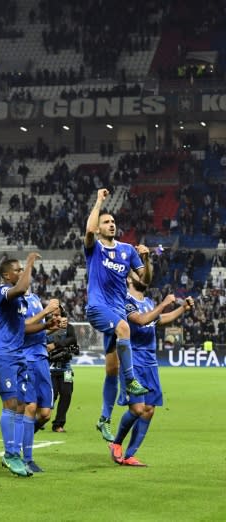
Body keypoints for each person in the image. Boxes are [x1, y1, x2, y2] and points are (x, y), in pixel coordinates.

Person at [84, 188, 152, 442]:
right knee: (125, 329)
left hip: (116, 312)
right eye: (106, 222)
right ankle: (132, 381)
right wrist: (99, 201)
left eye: (113, 221)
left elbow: (142, 281)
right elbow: (89, 230)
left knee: (111, 370)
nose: (111, 224)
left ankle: (103, 419)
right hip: (97, 309)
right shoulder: (94, 249)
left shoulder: (127, 250)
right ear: (100, 227)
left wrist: (145, 259)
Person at [109, 273, 194, 466]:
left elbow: (161, 319)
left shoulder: (148, 301)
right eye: (137, 274)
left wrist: (182, 308)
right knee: (138, 408)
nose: (143, 276)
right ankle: (116, 443)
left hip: (150, 363)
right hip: (133, 361)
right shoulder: (124, 300)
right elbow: (140, 320)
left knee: (149, 410)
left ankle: (129, 455)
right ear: (129, 280)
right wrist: (163, 304)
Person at [0, 252, 39, 477]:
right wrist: (29, 264)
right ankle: (10, 454)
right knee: (10, 404)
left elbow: (23, 328)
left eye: (20, 270)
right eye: (16, 270)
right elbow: (22, 287)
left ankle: (14, 453)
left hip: (16, 355)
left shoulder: (19, 301)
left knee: (20, 405)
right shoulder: (2, 292)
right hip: (1, 354)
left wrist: (47, 326)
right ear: (7, 275)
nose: (20, 273)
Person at [21, 292, 60, 472]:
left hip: (42, 359)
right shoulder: (17, 300)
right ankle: (27, 458)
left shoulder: (35, 297)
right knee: (30, 407)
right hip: (26, 359)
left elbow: (40, 332)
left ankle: (24, 436)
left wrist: (53, 326)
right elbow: (22, 328)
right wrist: (46, 312)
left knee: (45, 414)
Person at [47, 304, 79, 433]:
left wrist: (56, 345)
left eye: (58, 314)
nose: (56, 317)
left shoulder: (69, 328)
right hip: (49, 369)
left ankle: (58, 424)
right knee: (51, 396)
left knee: (66, 395)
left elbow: (73, 340)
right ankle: (41, 417)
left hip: (66, 368)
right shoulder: (46, 329)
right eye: (54, 315)